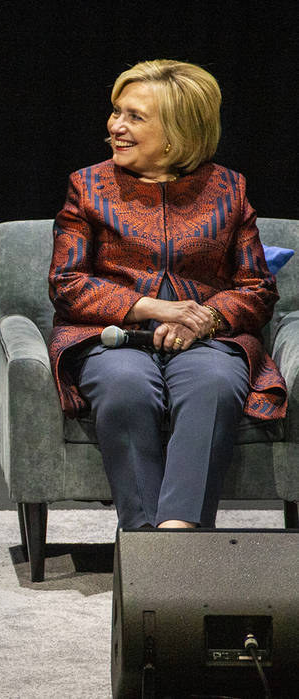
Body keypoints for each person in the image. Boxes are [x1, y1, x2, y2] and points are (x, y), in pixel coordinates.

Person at [47, 59, 286, 530]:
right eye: (117, 112)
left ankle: (177, 536)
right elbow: (67, 282)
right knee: (124, 387)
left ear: (177, 133)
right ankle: (144, 543)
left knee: (214, 386)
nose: (116, 126)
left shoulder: (229, 191)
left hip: (208, 339)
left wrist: (205, 318)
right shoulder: (88, 186)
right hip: (111, 335)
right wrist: (152, 307)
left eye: (134, 117)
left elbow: (257, 287)